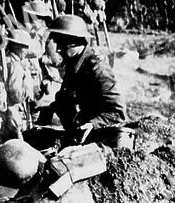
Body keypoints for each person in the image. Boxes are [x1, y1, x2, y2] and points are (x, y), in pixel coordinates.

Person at [40, 15, 126, 145]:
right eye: (57, 44)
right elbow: (66, 97)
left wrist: (93, 124)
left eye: (62, 45)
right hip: (80, 134)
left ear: (76, 42)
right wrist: (51, 109)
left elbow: (117, 113)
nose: (58, 50)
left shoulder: (98, 69)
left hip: (103, 139)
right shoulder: (74, 63)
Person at [0, 29, 43, 144]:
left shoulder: (2, 61)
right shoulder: (14, 65)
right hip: (10, 114)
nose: (26, 51)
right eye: (25, 48)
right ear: (18, 47)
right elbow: (16, 95)